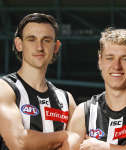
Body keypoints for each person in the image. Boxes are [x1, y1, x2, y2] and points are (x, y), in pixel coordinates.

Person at [0, 13, 77, 150]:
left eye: (46, 40)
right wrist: (66, 136)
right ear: (19, 44)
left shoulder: (66, 100)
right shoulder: (5, 88)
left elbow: (78, 145)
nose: (39, 47)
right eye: (31, 39)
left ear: (56, 47)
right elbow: (19, 142)